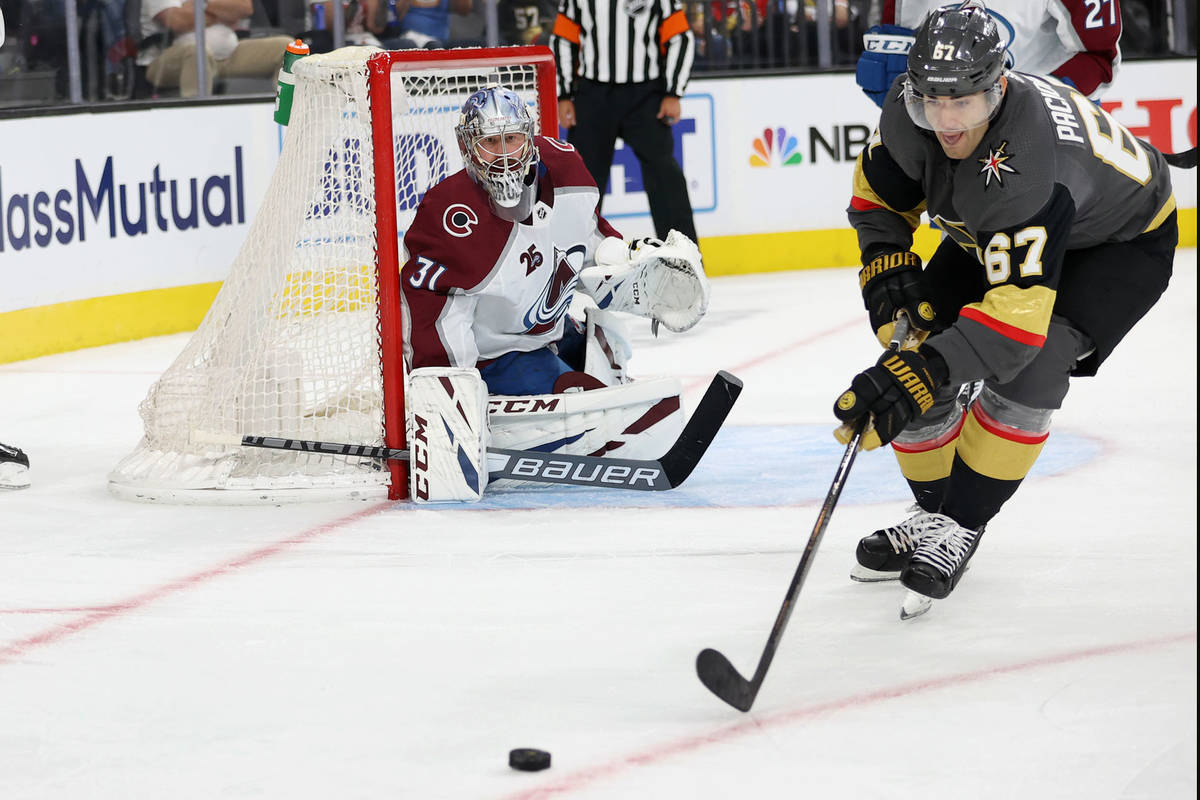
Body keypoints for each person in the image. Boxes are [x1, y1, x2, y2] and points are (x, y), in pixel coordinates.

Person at [833, 1, 1178, 602]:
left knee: (1035, 364)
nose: (945, 121)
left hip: (1117, 241)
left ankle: (962, 523)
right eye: (930, 101)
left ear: (997, 90)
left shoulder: (1027, 163)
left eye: (962, 102)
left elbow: (1014, 332)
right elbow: (877, 203)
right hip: (998, 225)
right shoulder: (905, 110)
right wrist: (886, 270)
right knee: (915, 333)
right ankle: (935, 511)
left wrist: (928, 369)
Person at [399, 85, 709, 502]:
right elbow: (437, 321)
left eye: (512, 139)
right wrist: (452, 403)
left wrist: (628, 271)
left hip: (548, 330)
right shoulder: (451, 216)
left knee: (607, 347)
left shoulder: (566, 173)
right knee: (586, 399)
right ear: (468, 147)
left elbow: (590, 244)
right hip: (494, 356)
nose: (505, 154)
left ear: (530, 138)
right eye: (490, 142)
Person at [551, 0, 699, 242]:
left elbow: (680, 38)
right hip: (593, 95)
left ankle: (682, 258)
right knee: (581, 182)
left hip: (645, 97)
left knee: (665, 178)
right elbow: (563, 39)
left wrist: (673, 92)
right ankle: (571, 257)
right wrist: (564, 94)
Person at [856, 0, 1122, 107]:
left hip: (1047, 119)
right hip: (954, 121)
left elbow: (1099, 59)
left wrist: (1029, 103)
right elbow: (894, 65)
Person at [139, 0, 293, 97]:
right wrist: (222, 12)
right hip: (168, 61)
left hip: (227, 54)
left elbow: (245, 7)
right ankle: (198, 119)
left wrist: (203, 4)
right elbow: (176, 21)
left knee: (287, 47)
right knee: (197, 52)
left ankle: (287, 115)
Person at [380, 0, 473, 49]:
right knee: (433, 47)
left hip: (442, 40)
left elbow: (464, 10)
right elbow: (395, 18)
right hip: (409, 38)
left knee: (479, 45)